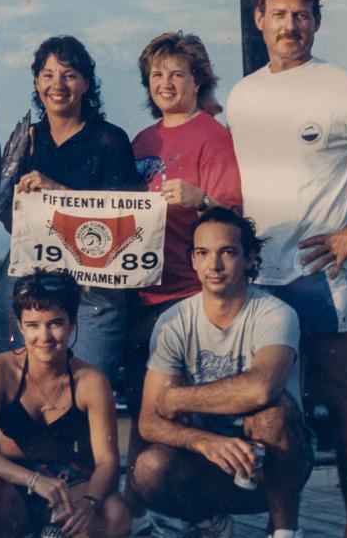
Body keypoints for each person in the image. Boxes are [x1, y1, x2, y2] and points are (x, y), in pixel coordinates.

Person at [226, 0, 347, 538]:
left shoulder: (343, 86)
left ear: (316, 22)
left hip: (319, 274)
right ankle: (286, 528)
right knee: (270, 405)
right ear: (259, 20)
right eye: (278, 13)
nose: (290, 25)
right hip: (256, 279)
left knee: (340, 400)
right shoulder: (243, 94)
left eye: (302, 14)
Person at [129, 207, 311, 538]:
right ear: (193, 260)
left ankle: (285, 530)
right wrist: (204, 441)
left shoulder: (275, 314)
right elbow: (149, 421)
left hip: (274, 464)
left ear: (250, 258)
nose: (214, 265)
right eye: (203, 253)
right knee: (147, 469)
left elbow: (261, 389)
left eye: (227, 252)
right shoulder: (174, 321)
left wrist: (177, 398)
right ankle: (206, 519)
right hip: (211, 459)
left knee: (273, 413)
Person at [124, 32, 242, 524]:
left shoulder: (214, 135)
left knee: (191, 411)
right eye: (157, 75)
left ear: (198, 81)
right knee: (142, 405)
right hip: (142, 295)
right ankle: (140, 507)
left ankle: (203, 514)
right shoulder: (141, 141)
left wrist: (202, 201)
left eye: (177, 73)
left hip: (191, 296)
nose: (167, 83)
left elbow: (236, 214)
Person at [0, 35, 140, 383]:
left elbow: (127, 223)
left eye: (69, 74)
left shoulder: (110, 139)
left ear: (86, 83)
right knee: (20, 387)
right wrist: (13, 198)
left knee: (89, 383)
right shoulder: (24, 140)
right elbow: (9, 224)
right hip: (30, 274)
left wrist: (56, 191)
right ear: (35, 81)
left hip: (96, 282)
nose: (57, 85)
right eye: (47, 75)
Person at [0, 269, 130, 538]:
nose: (45, 337)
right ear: (20, 326)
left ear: (73, 322)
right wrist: (33, 480)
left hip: (63, 482)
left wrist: (90, 503)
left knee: (115, 514)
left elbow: (107, 461)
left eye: (55, 323)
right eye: (33, 325)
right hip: (10, 480)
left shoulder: (90, 380)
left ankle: (53, 529)